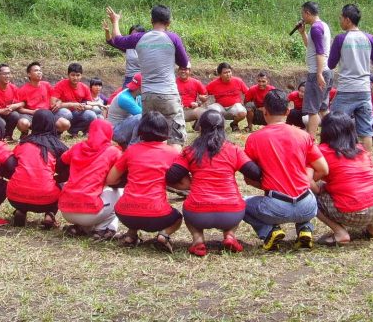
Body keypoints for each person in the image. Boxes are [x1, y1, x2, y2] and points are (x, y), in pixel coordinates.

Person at [166, 110, 261, 256]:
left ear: (201, 128)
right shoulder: (233, 150)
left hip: (197, 212)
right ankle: (229, 235)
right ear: (223, 128)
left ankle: (198, 240)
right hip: (232, 212)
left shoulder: (191, 151)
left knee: (187, 206)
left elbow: (171, 176)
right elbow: (255, 173)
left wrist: (190, 182)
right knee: (238, 202)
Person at [243, 89, 329, 251]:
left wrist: (267, 184)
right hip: (307, 205)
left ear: (264, 111)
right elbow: (323, 169)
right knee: (305, 196)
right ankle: (305, 228)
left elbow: (248, 177)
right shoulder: (303, 135)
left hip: (275, 206)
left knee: (242, 204)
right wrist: (306, 179)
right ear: (288, 111)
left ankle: (269, 231)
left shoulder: (254, 138)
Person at [105, 5, 189, 147]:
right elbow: (184, 63)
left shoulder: (140, 38)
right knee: (175, 137)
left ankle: (145, 165)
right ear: (169, 22)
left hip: (147, 95)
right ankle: (172, 167)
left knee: (148, 137)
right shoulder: (173, 38)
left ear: (151, 20)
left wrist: (115, 21)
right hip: (168, 94)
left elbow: (117, 40)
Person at [105, 111, 182, 252]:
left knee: (135, 204)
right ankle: (164, 235)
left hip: (125, 213)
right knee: (177, 218)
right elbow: (184, 183)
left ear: (141, 130)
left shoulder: (131, 150)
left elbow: (110, 179)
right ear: (165, 130)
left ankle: (130, 235)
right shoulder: (173, 153)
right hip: (157, 216)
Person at [313, 112, 373, 245]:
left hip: (353, 212)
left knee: (310, 197)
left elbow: (311, 180)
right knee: (361, 186)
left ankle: (340, 233)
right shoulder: (360, 149)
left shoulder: (323, 151)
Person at [327, 4, 373, 149]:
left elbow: (331, 64)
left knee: (335, 126)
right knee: (366, 131)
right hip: (364, 90)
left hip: (346, 89)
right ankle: (367, 164)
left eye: (341, 17)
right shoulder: (370, 38)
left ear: (347, 20)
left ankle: (338, 159)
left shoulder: (340, 39)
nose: (340, 20)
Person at [58, 118, 123, 240]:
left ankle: (81, 228)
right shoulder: (113, 151)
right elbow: (122, 172)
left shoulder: (77, 147)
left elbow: (61, 161)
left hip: (66, 210)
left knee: (100, 196)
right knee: (119, 192)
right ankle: (102, 229)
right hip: (89, 210)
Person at [6, 110, 67, 229]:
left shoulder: (22, 144)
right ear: (52, 124)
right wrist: (56, 179)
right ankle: (50, 215)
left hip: (15, 198)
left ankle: (21, 210)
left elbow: (11, 165)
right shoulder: (58, 146)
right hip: (46, 200)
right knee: (64, 184)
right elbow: (67, 169)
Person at [296, 1, 333, 136]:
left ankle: (310, 140)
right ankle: (335, 134)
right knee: (323, 108)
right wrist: (302, 33)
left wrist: (318, 73)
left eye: (303, 14)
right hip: (326, 71)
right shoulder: (323, 26)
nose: (302, 17)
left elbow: (320, 52)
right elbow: (311, 47)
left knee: (312, 110)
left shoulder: (316, 28)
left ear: (307, 13)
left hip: (318, 72)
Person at [51, 63, 97, 137]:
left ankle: (73, 130)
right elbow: (52, 104)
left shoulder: (84, 87)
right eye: (73, 75)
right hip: (61, 113)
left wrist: (83, 106)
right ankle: (56, 132)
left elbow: (91, 105)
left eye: (78, 75)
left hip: (75, 113)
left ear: (81, 75)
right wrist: (72, 104)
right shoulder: (61, 85)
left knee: (92, 115)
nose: (75, 78)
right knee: (67, 113)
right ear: (68, 75)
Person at [16, 62, 60, 136]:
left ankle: (56, 133)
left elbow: (56, 98)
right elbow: (19, 109)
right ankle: (25, 132)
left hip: (47, 114)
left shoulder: (46, 85)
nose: (39, 72)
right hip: (31, 115)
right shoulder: (23, 89)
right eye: (36, 71)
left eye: (40, 71)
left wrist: (58, 103)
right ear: (29, 74)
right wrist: (32, 112)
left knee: (65, 124)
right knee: (22, 123)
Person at [0, 63, 25, 140]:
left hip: (8, 113)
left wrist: (14, 106)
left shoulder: (13, 88)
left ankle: (8, 136)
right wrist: (1, 111)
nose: (7, 76)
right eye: (4, 74)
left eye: (9, 73)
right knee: (0, 122)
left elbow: (23, 102)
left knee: (15, 115)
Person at [206, 62, 249, 132]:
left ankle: (234, 124)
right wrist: (202, 99)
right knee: (211, 110)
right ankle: (218, 127)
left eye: (229, 72)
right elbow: (204, 93)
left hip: (234, 107)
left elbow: (248, 93)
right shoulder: (214, 84)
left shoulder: (238, 81)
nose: (228, 74)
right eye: (225, 73)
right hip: (220, 107)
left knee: (242, 112)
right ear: (220, 74)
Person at [107, 74, 143, 148]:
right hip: (115, 131)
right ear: (140, 88)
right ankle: (133, 147)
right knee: (140, 117)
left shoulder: (137, 95)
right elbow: (144, 114)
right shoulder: (125, 98)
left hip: (123, 128)